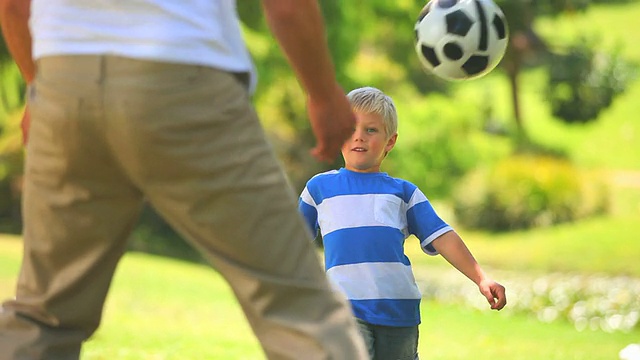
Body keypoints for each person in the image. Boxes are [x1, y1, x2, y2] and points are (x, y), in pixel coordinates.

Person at [0, 0, 370, 359]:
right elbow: (287, 7)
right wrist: (323, 95)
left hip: (63, 83)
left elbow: (15, 7)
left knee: (45, 316)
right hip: (181, 76)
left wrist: (40, 90)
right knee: (300, 309)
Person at [298, 86, 507, 360]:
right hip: (343, 309)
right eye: (351, 129)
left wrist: (481, 278)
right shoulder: (319, 189)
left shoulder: (403, 194)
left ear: (390, 141)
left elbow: (443, 237)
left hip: (399, 313)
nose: (359, 136)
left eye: (371, 130)